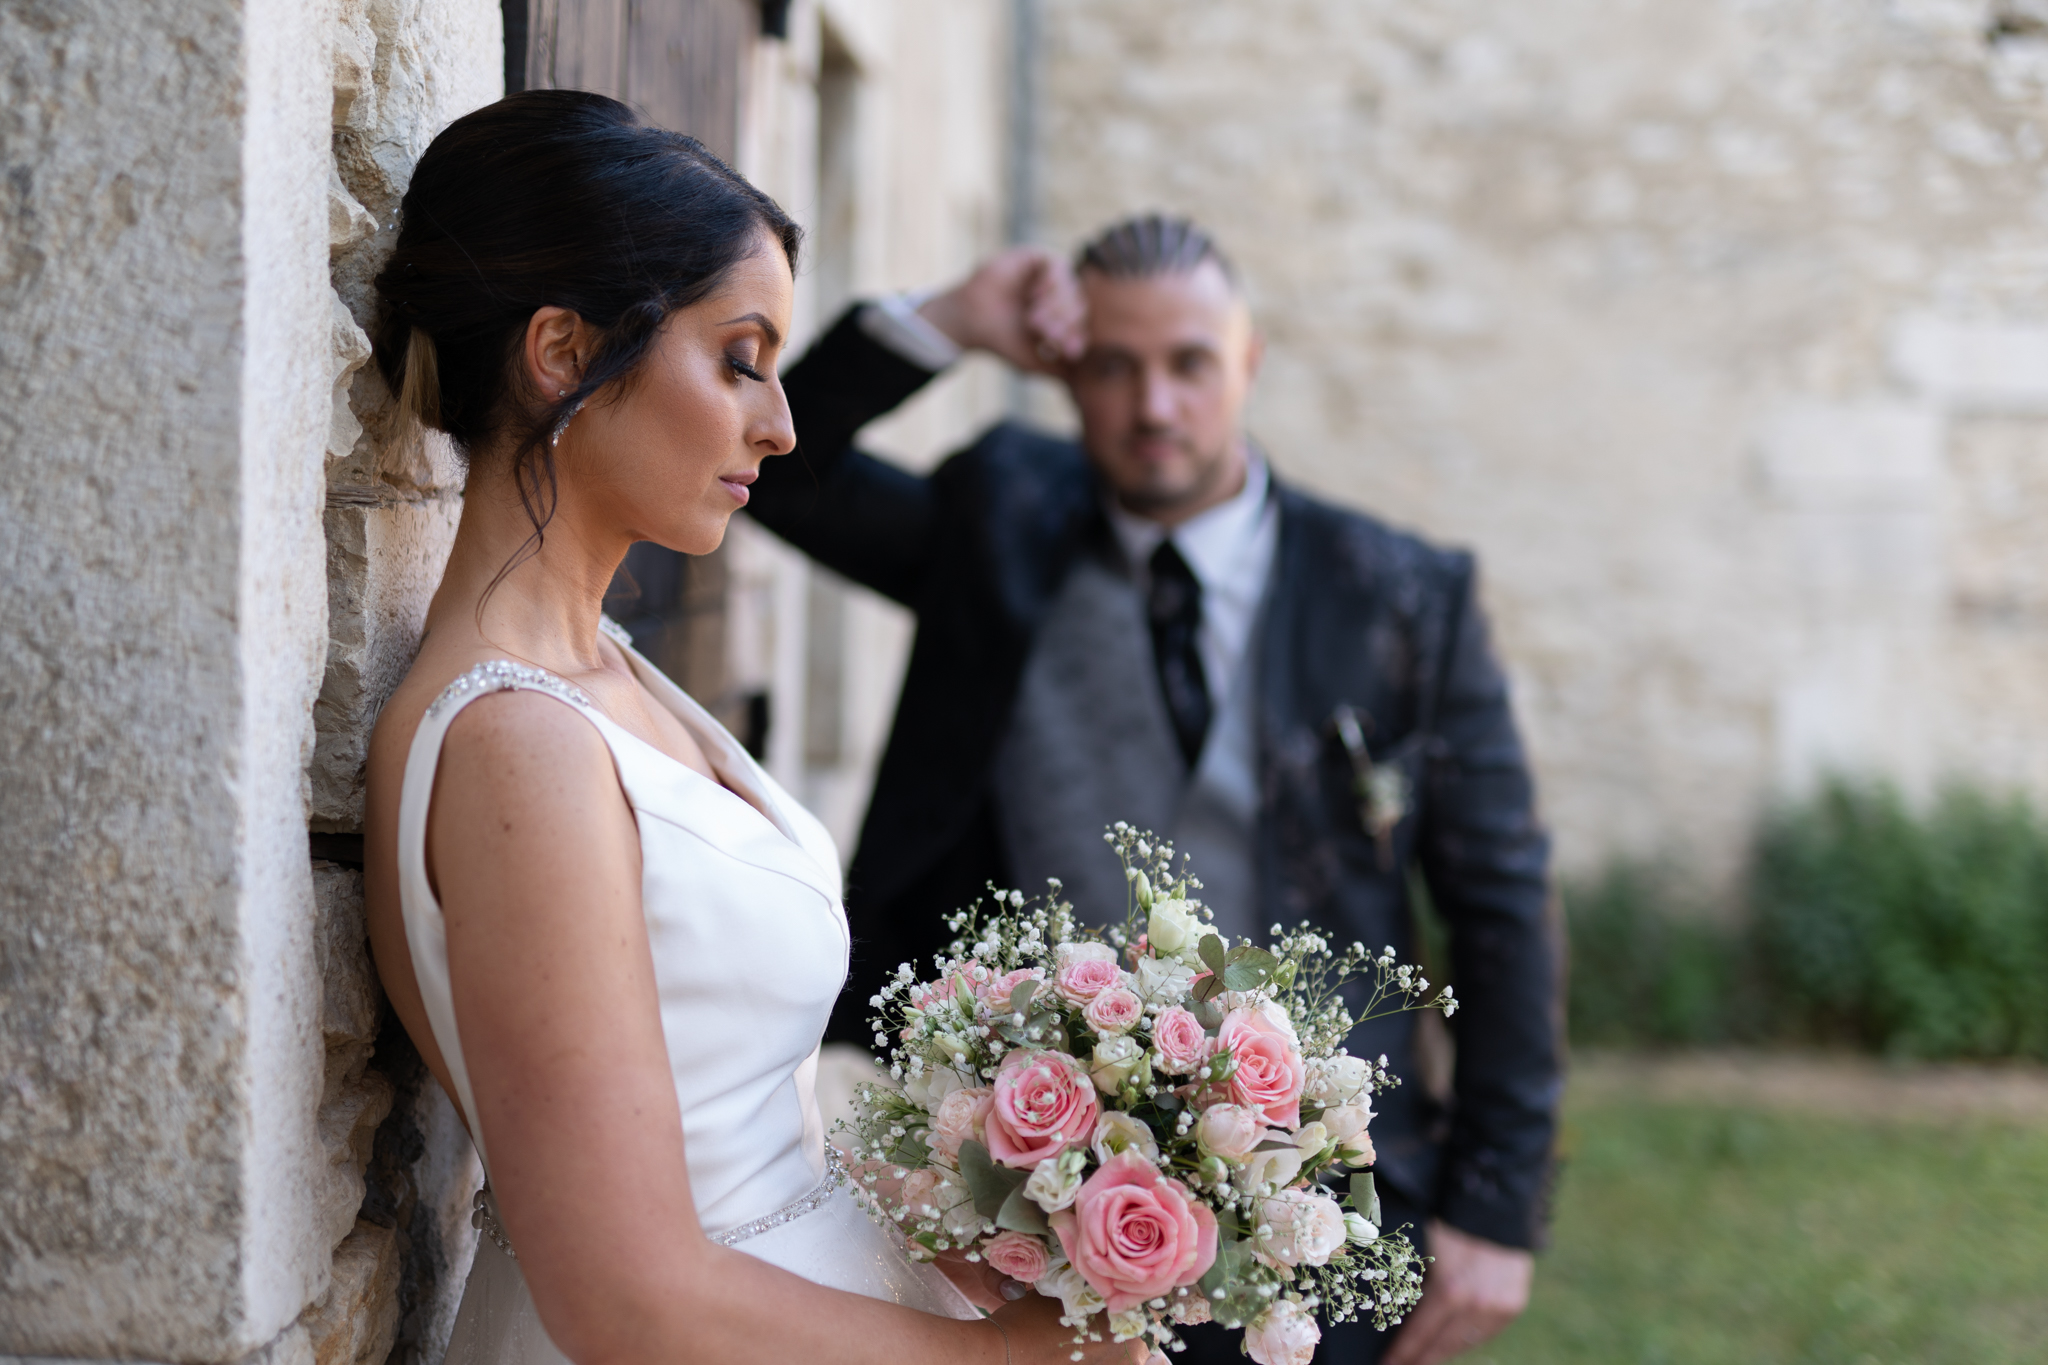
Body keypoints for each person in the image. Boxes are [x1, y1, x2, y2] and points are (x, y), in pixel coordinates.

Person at [359, 92, 1144, 1365]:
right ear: (562, 352)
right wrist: (1011, 1361)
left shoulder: (605, 675)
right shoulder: (519, 745)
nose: (778, 425)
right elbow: (626, 1299)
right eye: (740, 358)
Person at [749, 216, 1562, 1365]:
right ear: (1066, 373)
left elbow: (1502, 904)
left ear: (1247, 360)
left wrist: (1494, 1204)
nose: (1153, 407)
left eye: (1187, 363)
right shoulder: (1000, 521)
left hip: (1319, 1197)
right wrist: (954, 321)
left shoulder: (1395, 598)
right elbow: (779, 472)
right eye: (1112, 367)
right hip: (1024, 1204)